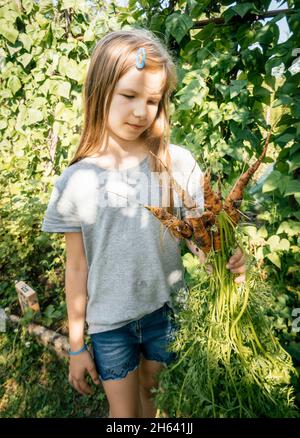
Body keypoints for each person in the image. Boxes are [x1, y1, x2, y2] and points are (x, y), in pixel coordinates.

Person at [41, 28, 246, 418]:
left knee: (155, 403)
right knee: (124, 416)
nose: (141, 111)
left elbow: (198, 236)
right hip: (109, 325)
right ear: (100, 92)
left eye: (152, 100)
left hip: (165, 312)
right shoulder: (78, 180)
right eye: (129, 96)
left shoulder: (175, 162)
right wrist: (76, 345)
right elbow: (77, 267)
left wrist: (223, 260)